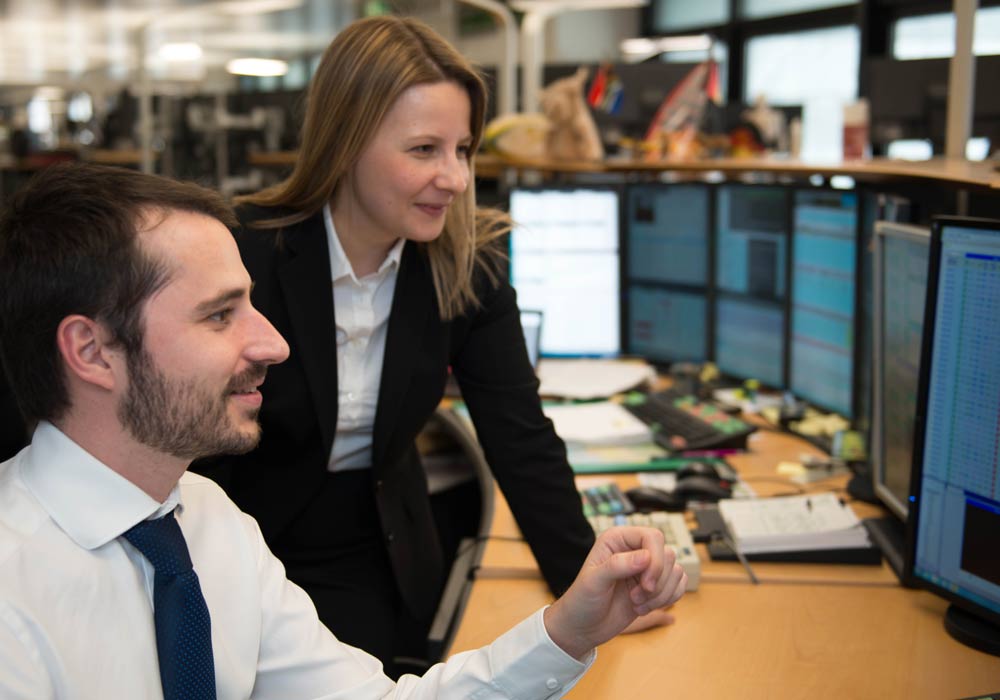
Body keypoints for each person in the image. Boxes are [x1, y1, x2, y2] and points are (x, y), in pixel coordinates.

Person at [0, 162, 687, 698]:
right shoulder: (14, 597)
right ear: (92, 352)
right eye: (219, 315)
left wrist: (566, 632)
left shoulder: (209, 525)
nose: (274, 344)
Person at [193, 14, 613, 672]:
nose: (456, 178)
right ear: (346, 143)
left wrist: (590, 589)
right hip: (236, 540)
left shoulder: (467, 267)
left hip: (378, 547)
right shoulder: (239, 252)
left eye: (462, 149)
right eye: (424, 150)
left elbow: (520, 437)